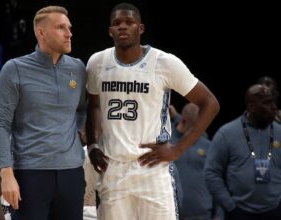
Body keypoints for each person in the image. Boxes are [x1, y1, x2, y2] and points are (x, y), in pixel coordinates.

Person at [86, 3, 220, 220]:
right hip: (114, 169)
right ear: (110, 30)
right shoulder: (97, 62)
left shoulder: (164, 63)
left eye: (129, 22)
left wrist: (178, 150)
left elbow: (210, 103)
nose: (122, 27)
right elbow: (93, 104)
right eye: (117, 23)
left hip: (152, 168)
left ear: (140, 28)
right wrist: (92, 143)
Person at [0, 5, 87, 219]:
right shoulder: (14, 68)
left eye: (69, 27)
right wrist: (6, 173)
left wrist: (78, 133)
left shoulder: (78, 68)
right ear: (41, 32)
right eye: (61, 27)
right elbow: (0, 124)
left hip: (72, 172)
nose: (69, 33)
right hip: (30, 173)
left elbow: (83, 109)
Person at [205, 84, 281, 220]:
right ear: (251, 107)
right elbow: (211, 172)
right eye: (267, 103)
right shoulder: (226, 133)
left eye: (274, 102)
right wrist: (230, 207)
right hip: (239, 213)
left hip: (275, 211)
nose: (274, 107)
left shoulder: (280, 132)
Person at [170, 103, 216, 220]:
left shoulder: (206, 144)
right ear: (183, 122)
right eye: (195, 128)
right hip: (171, 212)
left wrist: (219, 213)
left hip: (201, 213)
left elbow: (216, 178)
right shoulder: (167, 140)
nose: (198, 131)